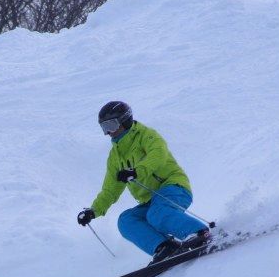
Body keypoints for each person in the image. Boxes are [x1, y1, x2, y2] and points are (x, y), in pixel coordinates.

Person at [78, 101, 210, 263]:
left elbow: (158, 155)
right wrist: (93, 211)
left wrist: (136, 171)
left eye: (111, 125)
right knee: (126, 220)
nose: (109, 132)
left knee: (157, 213)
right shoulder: (115, 157)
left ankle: (199, 233)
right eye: (104, 128)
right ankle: (164, 247)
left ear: (125, 121)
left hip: (174, 188)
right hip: (150, 201)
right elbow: (110, 189)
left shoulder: (147, 136)